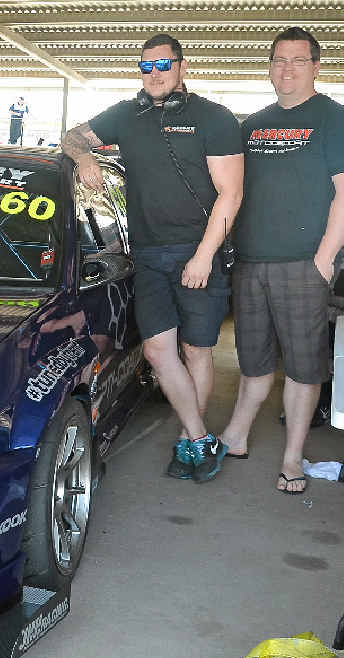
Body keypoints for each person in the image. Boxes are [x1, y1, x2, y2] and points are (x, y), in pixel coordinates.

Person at [60, 33, 244, 483]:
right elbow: (71, 136)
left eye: (163, 65)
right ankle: (199, 438)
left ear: (182, 67)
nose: (155, 74)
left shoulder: (215, 118)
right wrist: (84, 158)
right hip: (147, 253)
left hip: (198, 252)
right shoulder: (127, 115)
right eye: (146, 66)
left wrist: (203, 256)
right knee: (159, 351)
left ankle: (186, 439)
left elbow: (232, 194)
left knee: (196, 350)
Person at [218, 28, 344, 494]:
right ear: (269, 67)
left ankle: (292, 458)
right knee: (253, 361)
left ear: (316, 67)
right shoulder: (251, 126)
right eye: (279, 60)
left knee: (304, 367)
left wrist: (324, 259)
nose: (287, 69)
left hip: (303, 264)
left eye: (298, 60)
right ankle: (236, 436)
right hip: (250, 262)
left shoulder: (337, 121)